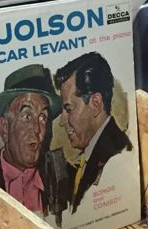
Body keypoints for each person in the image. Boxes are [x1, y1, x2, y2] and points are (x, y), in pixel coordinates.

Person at [55, 52, 133, 213]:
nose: (62, 121)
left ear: (96, 103)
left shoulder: (116, 156)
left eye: (69, 109)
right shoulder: (92, 156)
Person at [0, 64, 61, 213]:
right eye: (27, 116)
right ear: (4, 128)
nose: (37, 129)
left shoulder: (61, 176)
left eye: (43, 117)